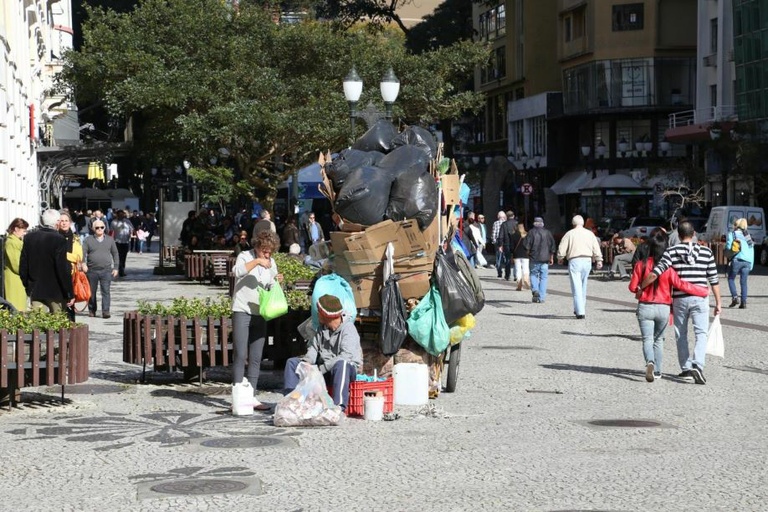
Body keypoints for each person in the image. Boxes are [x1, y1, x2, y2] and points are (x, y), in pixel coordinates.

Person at [639, 221, 722, 385]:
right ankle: (698, 365)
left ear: (678, 235)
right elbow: (714, 279)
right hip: (700, 298)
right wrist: (719, 302)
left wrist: (642, 287)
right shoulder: (706, 252)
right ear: (694, 234)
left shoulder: (671, 251)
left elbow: (656, 273)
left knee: (681, 334)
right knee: (701, 333)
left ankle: (686, 369)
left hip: (680, 298)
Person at [283, 294, 362, 412]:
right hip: (323, 370)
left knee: (342, 364)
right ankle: (290, 403)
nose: (317, 314)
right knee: (293, 363)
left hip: (344, 372)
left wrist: (322, 369)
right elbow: (314, 348)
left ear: (326, 315)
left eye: (319, 312)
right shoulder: (321, 328)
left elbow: (346, 356)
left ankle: (339, 408)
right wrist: (307, 362)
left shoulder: (348, 329)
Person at [231, 230, 282, 411]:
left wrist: (277, 280)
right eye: (264, 251)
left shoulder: (271, 262)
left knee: (256, 356)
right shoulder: (245, 256)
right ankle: (237, 397)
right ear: (257, 246)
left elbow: (270, 284)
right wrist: (257, 262)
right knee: (240, 354)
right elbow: (237, 272)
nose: (267, 255)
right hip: (242, 310)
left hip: (260, 312)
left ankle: (251, 396)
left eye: (270, 252)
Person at [19, 209, 75, 313]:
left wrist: (27, 285)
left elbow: (23, 265)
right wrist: (69, 292)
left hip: (36, 288)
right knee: (58, 320)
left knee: (38, 321)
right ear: (57, 222)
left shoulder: (29, 237)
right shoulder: (59, 239)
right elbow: (62, 268)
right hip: (55, 290)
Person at [557, 215, 603, 319]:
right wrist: (599, 259)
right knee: (583, 285)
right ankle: (580, 307)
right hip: (587, 260)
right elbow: (596, 247)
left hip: (575, 260)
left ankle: (580, 311)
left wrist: (560, 257)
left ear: (573, 224)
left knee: (576, 286)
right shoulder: (590, 234)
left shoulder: (569, 234)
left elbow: (562, 247)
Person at [82, 218, 119, 318]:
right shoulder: (88, 240)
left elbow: (115, 253)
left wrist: (116, 267)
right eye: (97, 227)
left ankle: (105, 311)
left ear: (104, 228)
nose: (99, 229)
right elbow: (83, 253)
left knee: (106, 291)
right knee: (91, 292)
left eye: (102, 227)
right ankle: (92, 310)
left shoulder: (110, 240)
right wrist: (83, 264)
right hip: (92, 270)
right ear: (93, 229)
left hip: (106, 270)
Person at [522, 216, 556, 303]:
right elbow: (552, 246)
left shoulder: (531, 232)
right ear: (542, 224)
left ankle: (535, 290)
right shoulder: (547, 233)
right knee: (543, 278)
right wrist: (551, 257)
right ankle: (541, 297)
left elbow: (526, 245)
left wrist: (528, 253)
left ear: (534, 223)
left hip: (534, 258)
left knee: (533, 274)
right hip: (545, 259)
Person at [58, 211, 84, 321]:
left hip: (71, 274)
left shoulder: (75, 238)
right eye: (61, 221)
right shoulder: (54, 237)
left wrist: (62, 254)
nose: (64, 223)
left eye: (66, 221)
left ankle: (70, 324)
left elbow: (78, 257)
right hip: (56, 273)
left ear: (70, 223)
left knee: (70, 303)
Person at [726, 217, 754, 309]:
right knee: (743, 282)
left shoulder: (732, 234)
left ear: (736, 225)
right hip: (748, 261)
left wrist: (727, 252)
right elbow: (752, 250)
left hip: (737, 259)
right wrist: (751, 265)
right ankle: (743, 302)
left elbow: (729, 247)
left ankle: (735, 297)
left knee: (731, 278)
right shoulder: (748, 236)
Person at [3, 218, 29, 311]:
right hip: (14, 279)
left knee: (19, 306)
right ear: (16, 229)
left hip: (18, 278)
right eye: (23, 230)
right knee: (15, 307)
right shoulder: (11, 242)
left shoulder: (16, 241)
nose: (24, 233)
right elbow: (16, 264)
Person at [110, 209, 133, 277]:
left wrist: (131, 235)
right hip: (117, 242)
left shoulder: (127, 221)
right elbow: (111, 232)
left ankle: (122, 268)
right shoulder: (114, 222)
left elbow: (132, 229)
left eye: (122, 214)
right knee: (118, 256)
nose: (121, 216)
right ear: (117, 215)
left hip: (126, 242)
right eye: (119, 215)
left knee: (124, 256)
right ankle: (120, 269)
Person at [497, 210, 518, 280]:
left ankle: (507, 275)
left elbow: (501, 236)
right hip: (516, 244)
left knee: (507, 260)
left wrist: (500, 245)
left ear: (506, 217)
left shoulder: (504, 224)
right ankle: (516, 275)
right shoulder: (517, 223)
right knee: (516, 260)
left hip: (507, 244)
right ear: (513, 216)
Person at [509, 223, 530, 291]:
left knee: (518, 269)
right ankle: (526, 279)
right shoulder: (527, 235)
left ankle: (519, 284)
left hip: (516, 255)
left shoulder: (513, 235)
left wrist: (512, 253)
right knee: (525, 268)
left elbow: (511, 247)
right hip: (525, 255)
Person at [490, 211, 507, 277]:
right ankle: (507, 272)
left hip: (498, 242)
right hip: (505, 242)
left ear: (498, 217)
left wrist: (494, 241)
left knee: (498, 257)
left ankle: (499, 272)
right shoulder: (506, 223)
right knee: (506, 257)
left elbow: (493, 233)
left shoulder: (495, 223)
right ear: (504, 217)